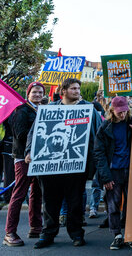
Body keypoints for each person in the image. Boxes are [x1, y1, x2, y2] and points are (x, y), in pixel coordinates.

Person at [25, 78, 102, 249]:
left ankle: (76, 233)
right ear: (64, 91)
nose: (77, 91)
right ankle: (48, 234)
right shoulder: (50, 109)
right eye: (73, 88)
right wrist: (29, 151)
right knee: (50, 202)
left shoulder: (88, 109)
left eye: (78, 88)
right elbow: (34, 132)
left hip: (76, 166)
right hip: (50, 167)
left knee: (75, 202)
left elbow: (100, 131)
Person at [93, 96, 132, 250]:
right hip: (114, 171)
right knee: (113, 204)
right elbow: (98, 153)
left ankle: (130, 234)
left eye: (124, 111)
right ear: (112, 111)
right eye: (119, 112)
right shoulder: (105, 127)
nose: (122, 115)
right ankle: (117, 235)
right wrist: (105, 177)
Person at [3, 82, 45, 247]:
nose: (37, 94)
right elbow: (20, 134)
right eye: (34, 92)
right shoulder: (21, 111)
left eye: (40, 92)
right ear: (28, 93)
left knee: (36, 192)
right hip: (23, 157)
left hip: (39, 157)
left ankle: (36, 226)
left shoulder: (41, 109)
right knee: (19, 193)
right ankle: (9, 232)